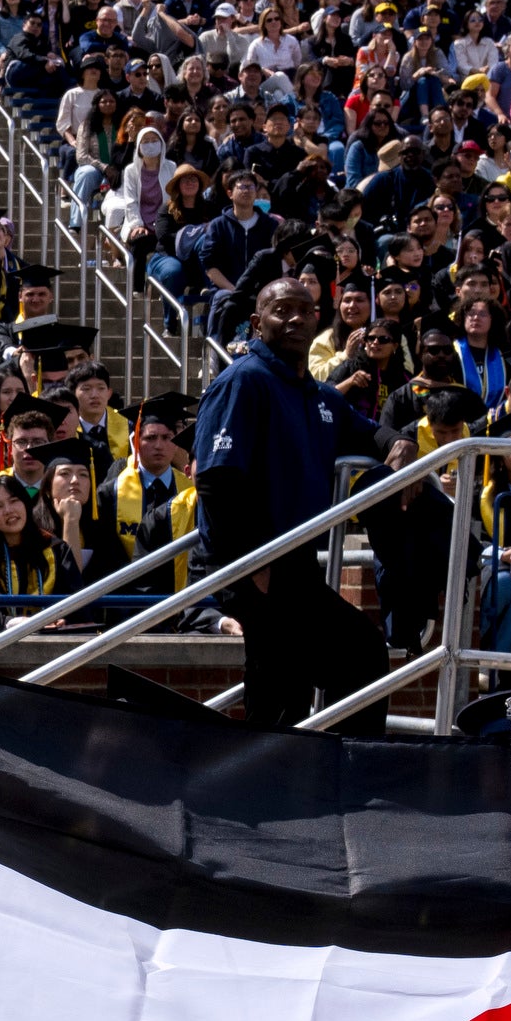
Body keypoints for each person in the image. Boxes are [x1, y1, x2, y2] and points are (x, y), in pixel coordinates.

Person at [195, 278, 391, 731]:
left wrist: (395, 442)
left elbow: (365, 430)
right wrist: (252, 565)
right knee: (295, 677)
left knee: (335, 664)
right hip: (254, 559)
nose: (296, 319)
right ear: (256, 323)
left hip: (295, 560)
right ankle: (290, 784)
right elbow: (216, 479)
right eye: (282, 310)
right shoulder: (244, 382)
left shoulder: (315, 392)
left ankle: (328, 779)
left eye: (305, 310)